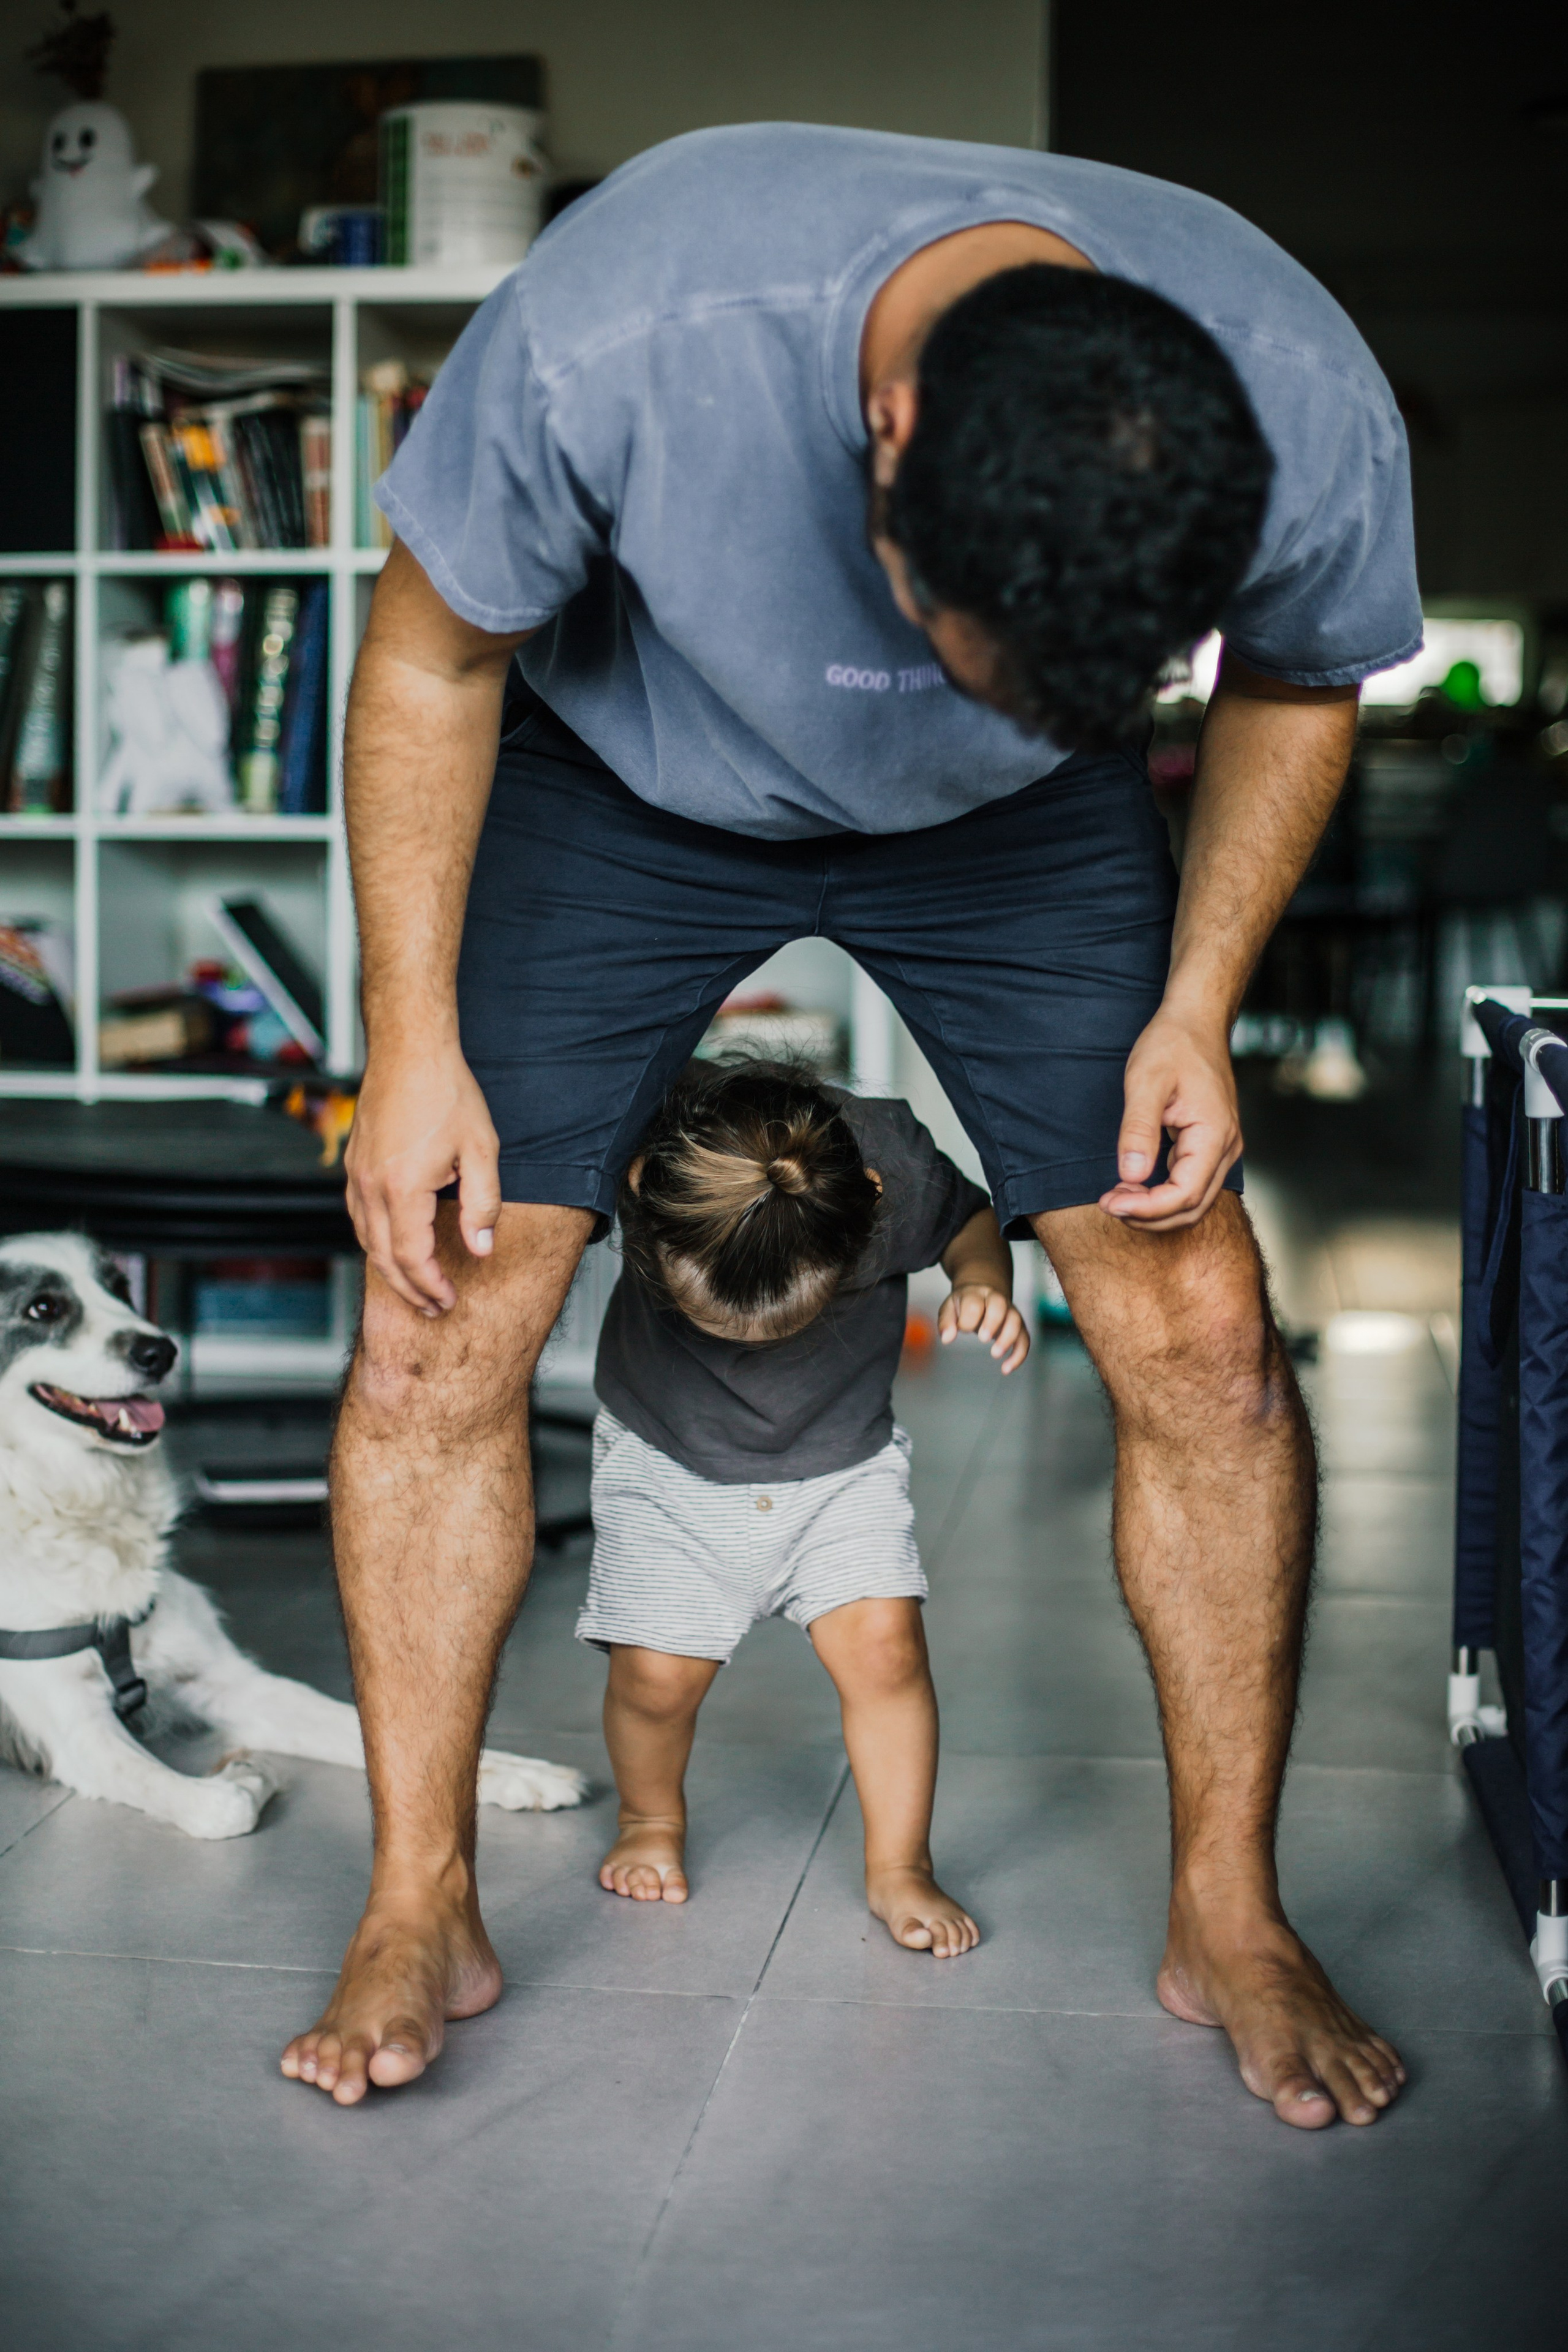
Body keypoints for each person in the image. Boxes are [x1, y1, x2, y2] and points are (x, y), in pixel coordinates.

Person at [281, 124, 1418, 2124]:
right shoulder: (627, 327)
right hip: (623, 780)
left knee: (1206, 1341)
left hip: (1031, 828)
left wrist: (1199, 1005)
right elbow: (434, 649)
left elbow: (1304, 684)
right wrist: (412, 1043)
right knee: (437, 1311)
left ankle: (1229, 1914)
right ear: (888, 427)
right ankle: (416, 1896)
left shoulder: (1296, 390)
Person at [583, 1058, 1027, 1954]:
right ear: (644, 1193)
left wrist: (983, 1281)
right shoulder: (639, 1145)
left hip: (840, 1467)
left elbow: (971, 1218)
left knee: (887, 1655)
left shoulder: (891, 1168)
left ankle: (901, 1865)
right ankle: (649, 1818)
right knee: (658, 1680)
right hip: (671, 1459)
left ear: (866, 1203)